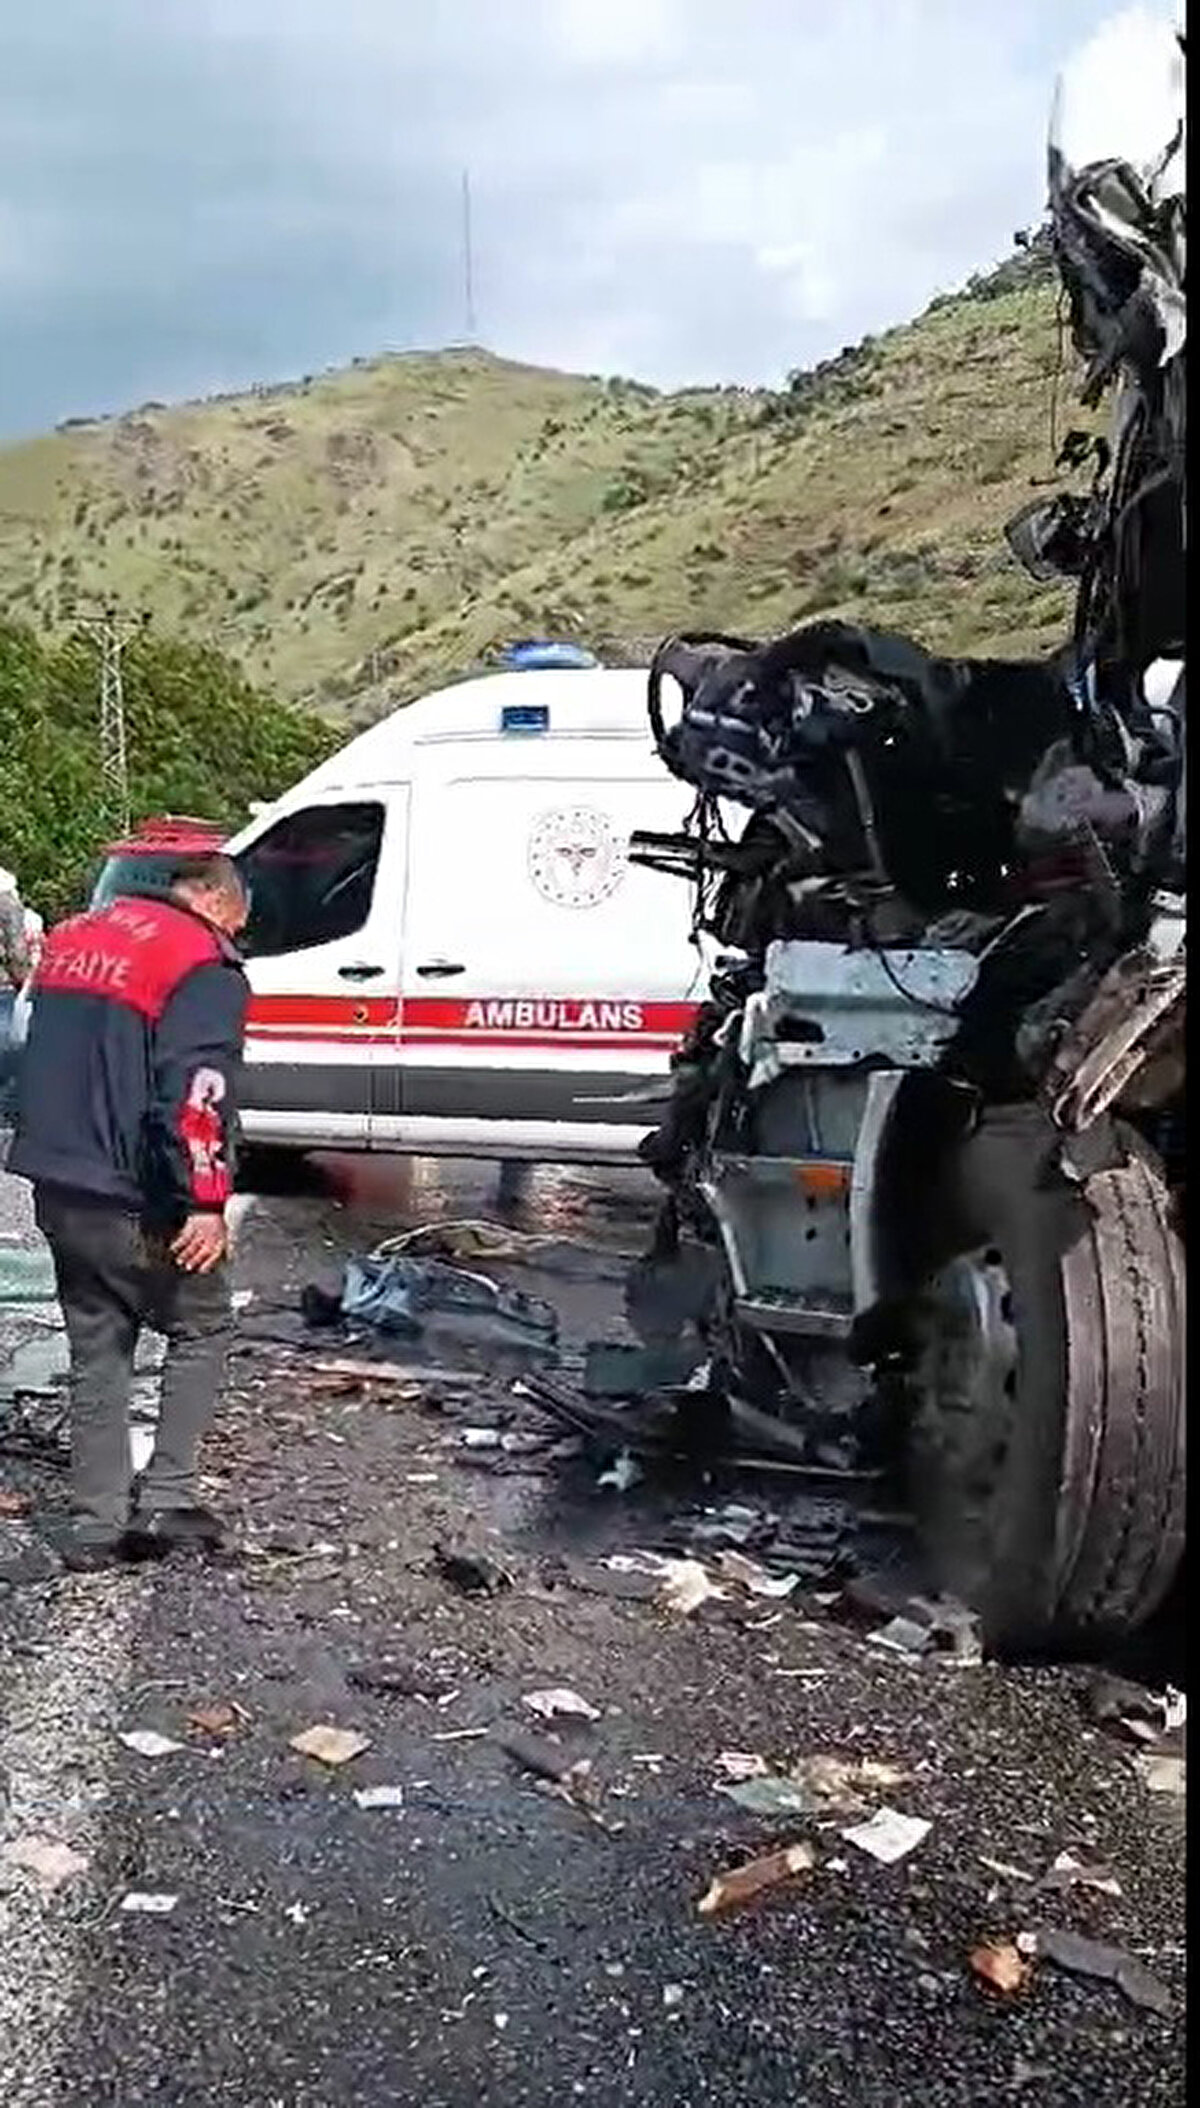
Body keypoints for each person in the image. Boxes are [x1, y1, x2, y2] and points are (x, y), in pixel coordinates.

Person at [9, 853, 250, 1570]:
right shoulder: (200, 961)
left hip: (56, 1181)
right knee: (202, 1324)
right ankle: (168, 1498)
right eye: (240, 920)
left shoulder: (77, 938)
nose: (241, 936)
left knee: (99, 1347)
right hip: (132, 1191)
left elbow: (28, 1053)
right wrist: (203, 1202)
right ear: (210, 897)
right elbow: (197, 1094)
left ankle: (93, 1526)